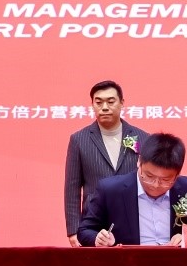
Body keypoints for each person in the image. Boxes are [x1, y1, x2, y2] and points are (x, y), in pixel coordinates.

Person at [77, 132, 187, 247]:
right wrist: (98, 238)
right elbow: (85, 230)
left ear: (178, 174)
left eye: (165, 180)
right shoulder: (110, 190)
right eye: (149, 176)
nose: (156, 185)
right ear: (139, 162)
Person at [63, 80, 147, 247]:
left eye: (110, 101)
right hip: (94, 224)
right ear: (92, 105)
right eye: (99, 102)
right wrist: (73, 230)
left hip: (133, 220)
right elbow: (72, 188)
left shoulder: (143, 138)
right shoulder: (79, 140)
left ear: (122, 103)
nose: (105, 107)